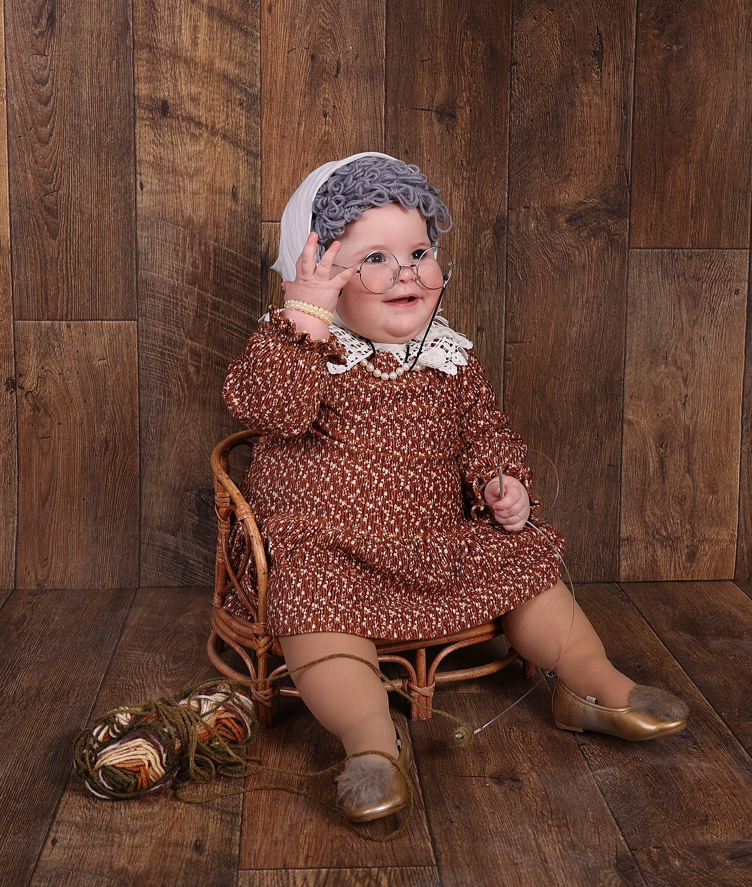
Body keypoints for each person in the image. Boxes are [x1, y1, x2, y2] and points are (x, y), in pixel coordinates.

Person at [223, 152, 687, 824]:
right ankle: (370, 740)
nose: (406, 272)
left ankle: (592, 683)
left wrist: (502, 481)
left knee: (524, 559)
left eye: (419, 253)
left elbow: (486, 431)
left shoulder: (448, 356)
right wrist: (306, 318)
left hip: (435, 542)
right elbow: (273, 410)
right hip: (328, 550)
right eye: (375, 258)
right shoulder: (303, 350)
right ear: (316, 270)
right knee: (312, 607)